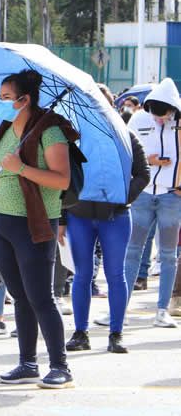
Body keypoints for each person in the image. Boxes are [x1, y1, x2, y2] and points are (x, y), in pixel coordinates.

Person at [0, 69, 76, 389]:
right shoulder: (4, 131)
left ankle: (60, 366)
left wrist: (23, 168)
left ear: (24, 99)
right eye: (0, 97)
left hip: (34, 224)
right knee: (19, 297)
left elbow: (62, 180)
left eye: (6, 98)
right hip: (2, 222)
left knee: (41, 297)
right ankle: (27, 362)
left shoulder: (50, 131)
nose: (0, 103)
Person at [64, 84, 149, 354]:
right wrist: (63, 217)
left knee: (115, 275)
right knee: (82, 275)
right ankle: (80, 332)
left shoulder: (126, 136)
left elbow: (143, 174)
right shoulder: (75, 138)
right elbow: (64, 178)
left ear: (110, 105)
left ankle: (116, 333)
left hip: (116, 215)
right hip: (80, 215)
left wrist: (123, 197)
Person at [123, 78, 181, 329]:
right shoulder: (138, 120)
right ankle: (120, 306)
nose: (160, 119)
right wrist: (150, 160)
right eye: (156, 114)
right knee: (132, 251)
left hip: (172, 194)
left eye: (165, 114)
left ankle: (162, 309)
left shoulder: (178, 124)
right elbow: (128, 153)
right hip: (143, 194)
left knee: (168, 255)